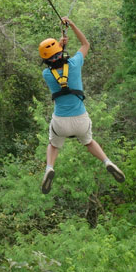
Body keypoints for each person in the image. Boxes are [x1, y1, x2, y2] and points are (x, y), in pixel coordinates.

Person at [38, 17, 124, 194]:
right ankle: (107, 161)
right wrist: (73, 25)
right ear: (61, 53)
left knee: (53, 145)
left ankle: (49, 168)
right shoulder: (75, 64)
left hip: (60, 122)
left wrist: (59, 46)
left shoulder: (46, 74)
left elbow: (54, 59)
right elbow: (85, 44)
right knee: (89, 141)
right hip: (80, 120)